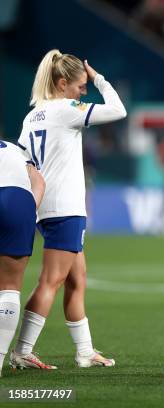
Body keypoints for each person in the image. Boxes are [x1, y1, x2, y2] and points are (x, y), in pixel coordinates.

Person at [11, 49, 127, 369]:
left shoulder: (33, 114)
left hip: (46, 205)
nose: (83, 91)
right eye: (79, 86)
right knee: (51, 280)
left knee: (77, 278)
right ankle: (22, 350)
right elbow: (118, 110)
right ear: (62, 84)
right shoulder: (66, 108)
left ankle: (85, 351)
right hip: (65, 207)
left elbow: (22, 159)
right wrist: (99, 77)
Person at [0, 140, 45, 376]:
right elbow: (38, 181)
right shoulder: (14, 149)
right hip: (18, 200)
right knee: (9, 287)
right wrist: (29, 211)